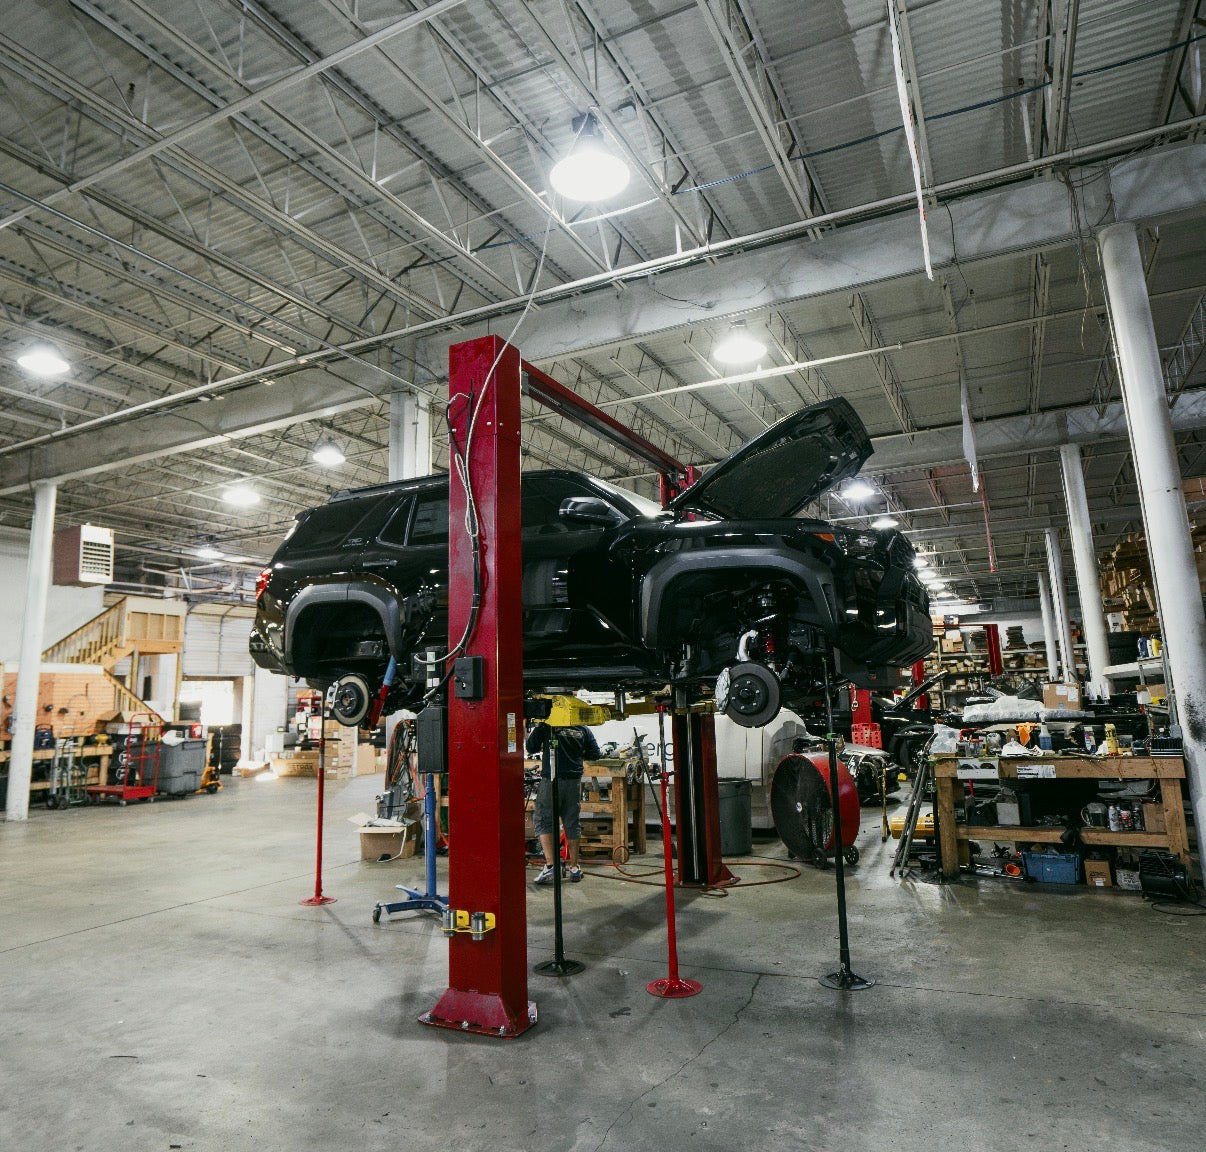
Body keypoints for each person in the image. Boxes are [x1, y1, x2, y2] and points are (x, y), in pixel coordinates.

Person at [525, 720, 600, 886]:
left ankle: (551, 865)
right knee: (571, 822)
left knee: (543, 820)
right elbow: (595, 753)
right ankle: (574, 867)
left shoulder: (547, 725)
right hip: (573, 781)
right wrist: (575, 755)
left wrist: (531, 728)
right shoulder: (583, 729)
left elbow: (531, 747)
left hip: (551, 780)